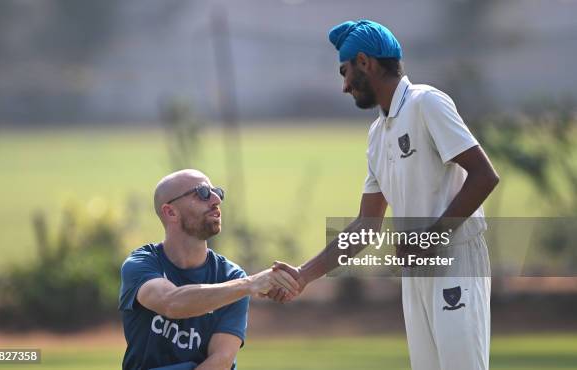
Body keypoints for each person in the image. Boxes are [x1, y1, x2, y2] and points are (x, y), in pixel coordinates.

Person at [270, 20, 500, 370]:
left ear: (365, 62)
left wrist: (432, 238)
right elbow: (367, 224)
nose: (345, 86)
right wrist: (303, 276)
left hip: (456, 260)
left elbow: (484, 176)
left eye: (344, 72)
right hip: (417, 268)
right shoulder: (378, 134)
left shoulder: (427, 103)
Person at [119, 169, 298, 370]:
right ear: (170, 212)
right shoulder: (141, 264)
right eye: (202, 193)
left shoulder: (231, 276)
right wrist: (250, 284)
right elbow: (171, 303)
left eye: (217, 192)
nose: (216, 200)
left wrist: (246, 285)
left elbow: (221, 361)